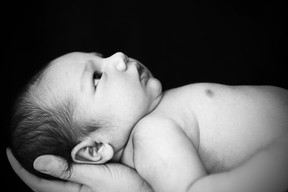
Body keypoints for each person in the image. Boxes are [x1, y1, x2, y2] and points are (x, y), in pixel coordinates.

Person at [8, 52, 288, 192]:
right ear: (94, 149)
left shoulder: (155, 119)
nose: (118, 57)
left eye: (101, 56)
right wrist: (275, 162)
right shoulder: (150, 136)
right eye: (96, 77)